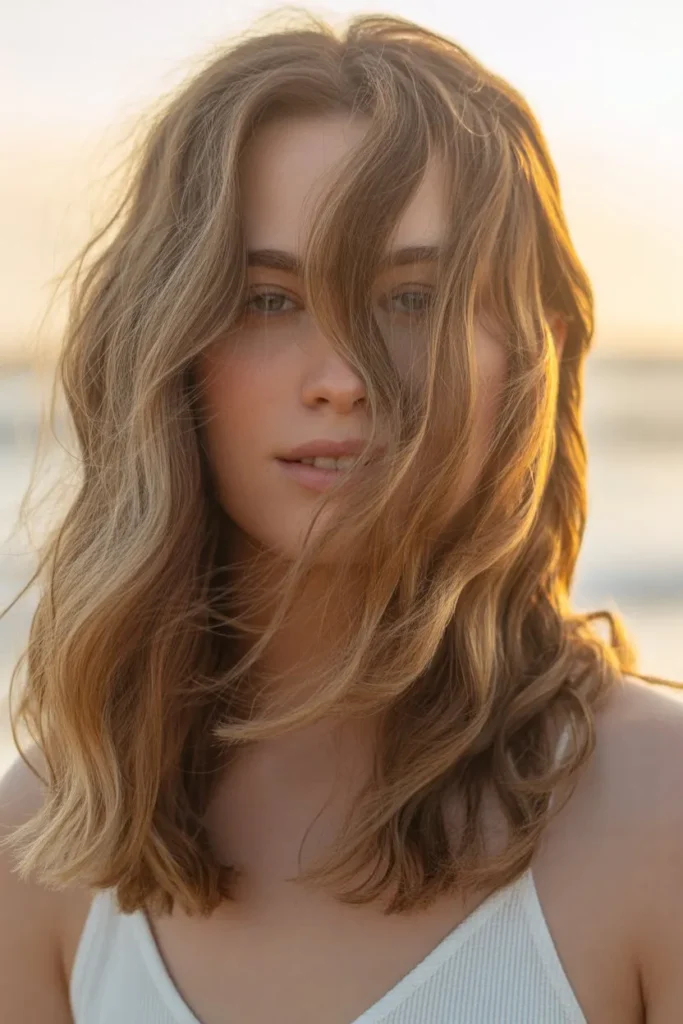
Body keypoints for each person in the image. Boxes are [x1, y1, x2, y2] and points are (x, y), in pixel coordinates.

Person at [1, 9, 682, 1023]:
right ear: (168, 349)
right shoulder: (45, 841)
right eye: (266, 300)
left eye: (411, 299)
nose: (341, 378)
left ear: (528, 353)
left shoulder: (655, 813)